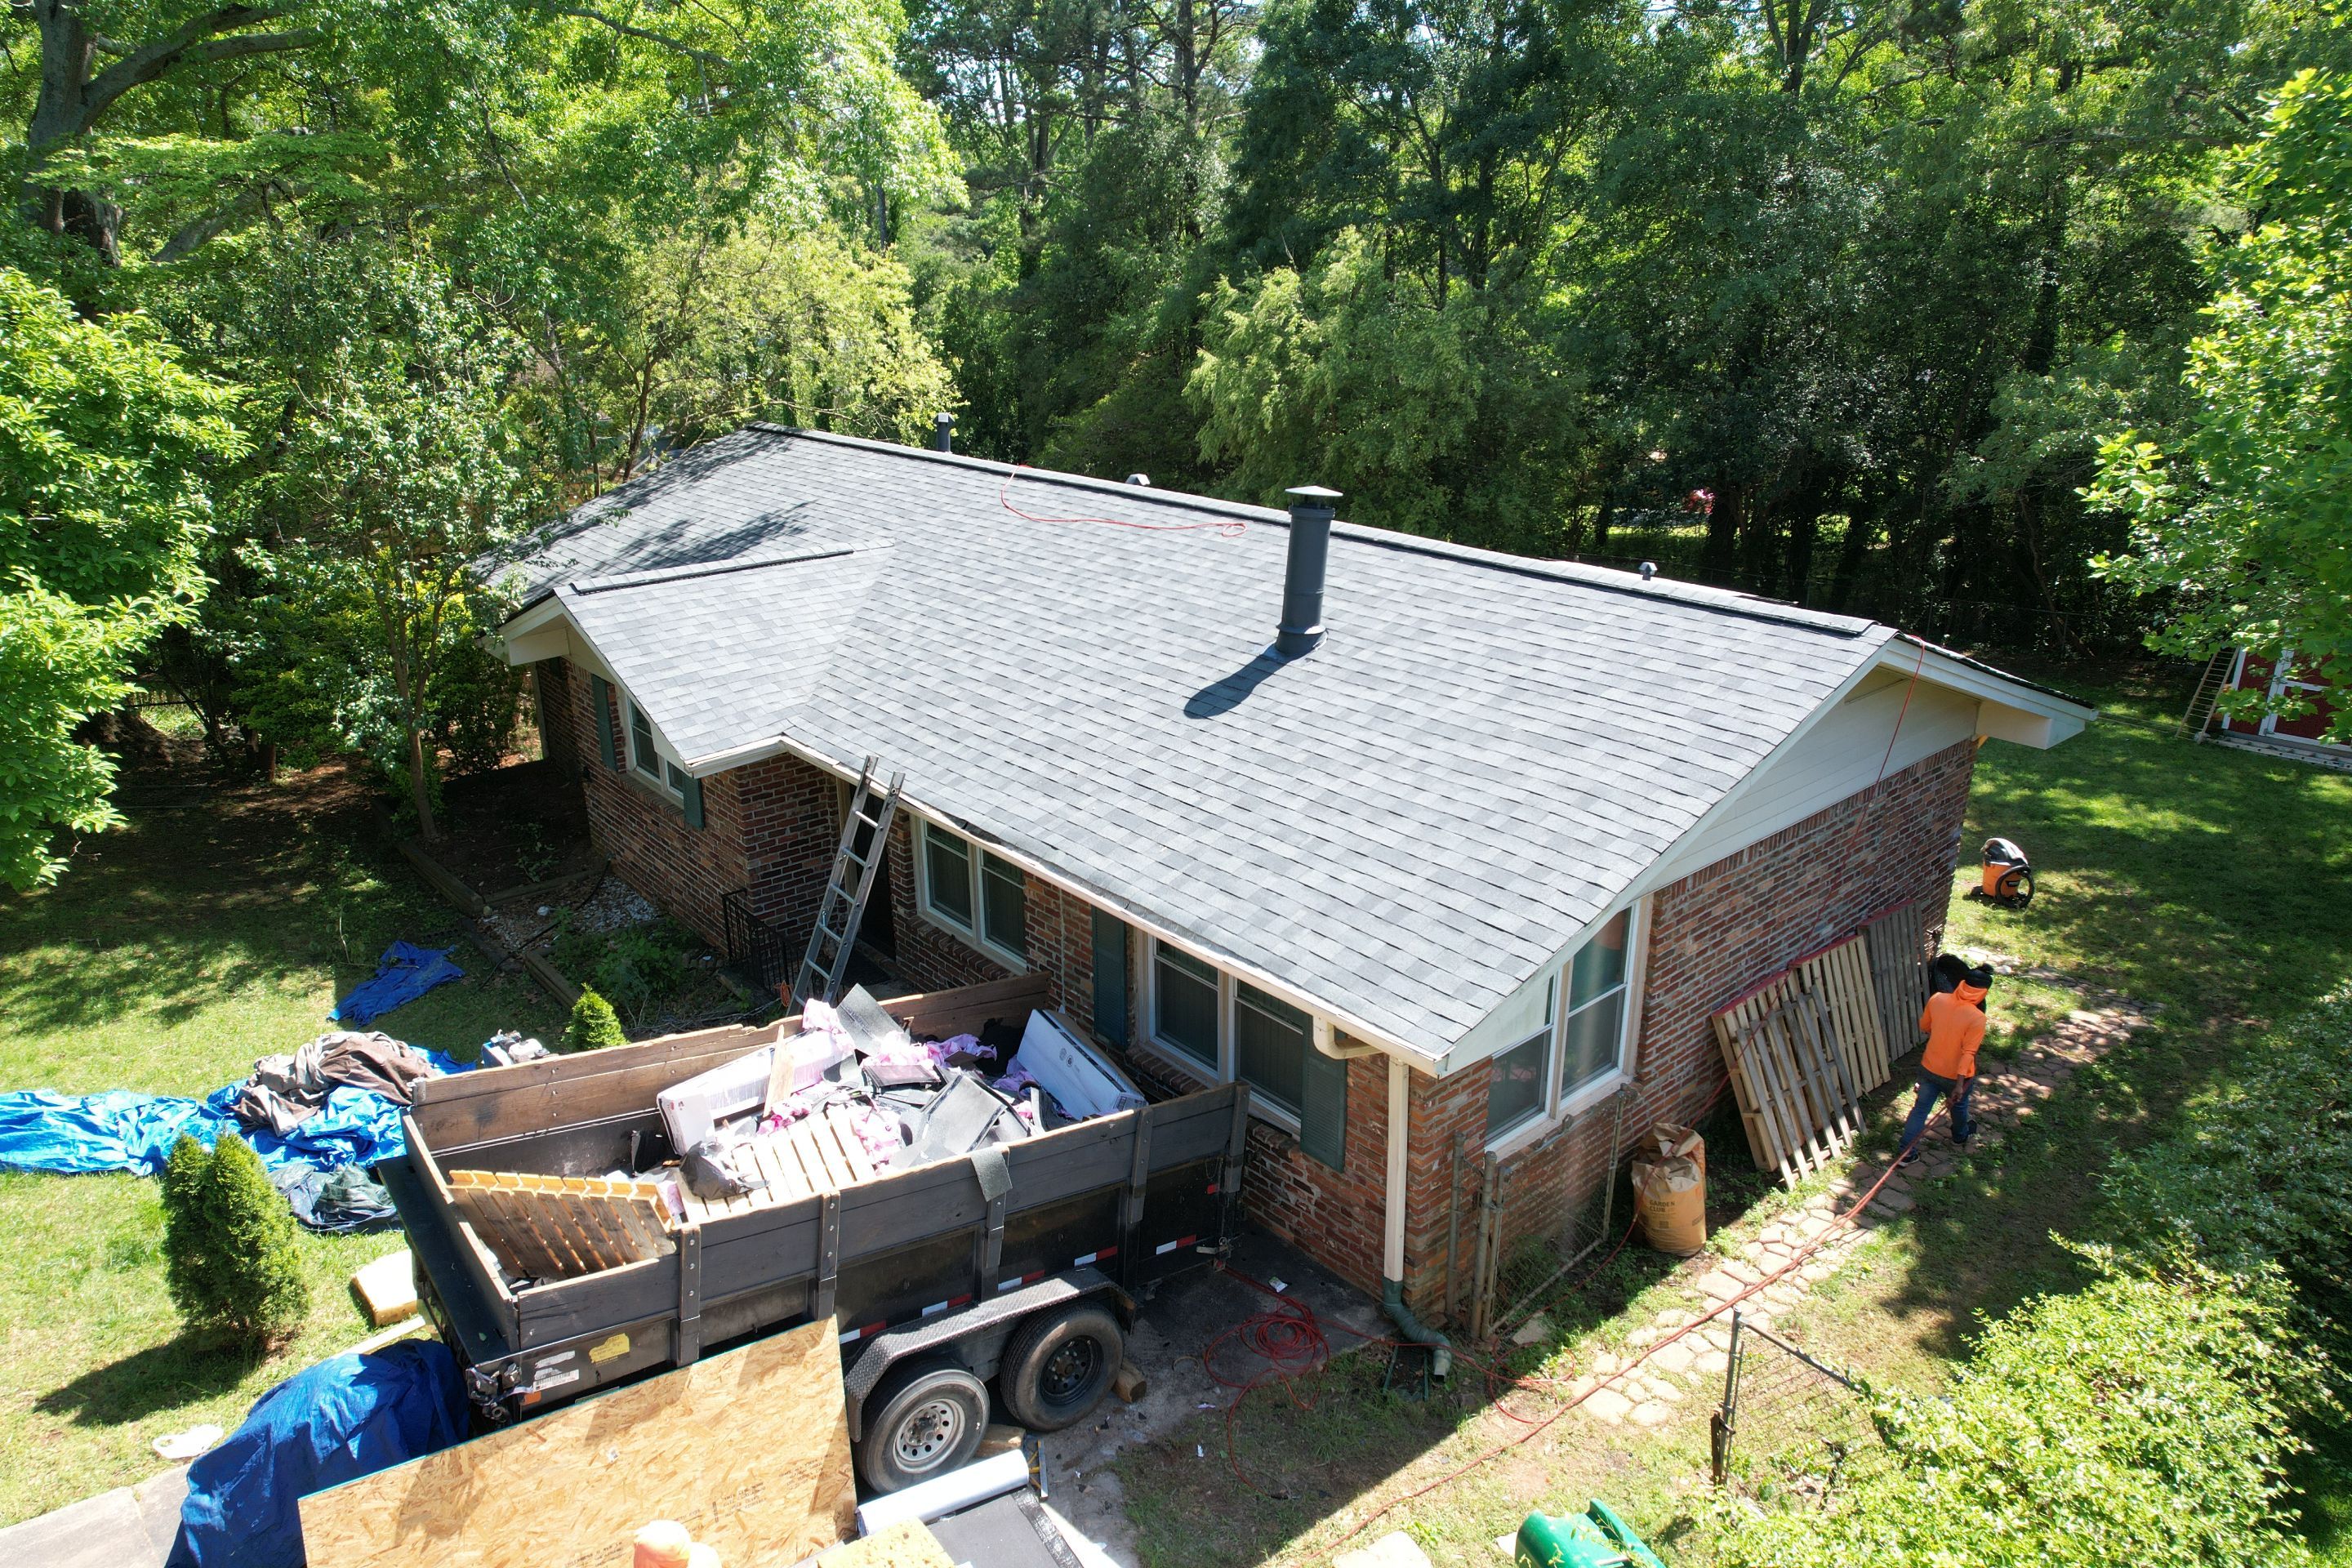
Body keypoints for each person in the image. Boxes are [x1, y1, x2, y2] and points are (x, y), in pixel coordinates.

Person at [1900, 964, 1991, 1162]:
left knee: (1920, 1109)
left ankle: (1906, 1153)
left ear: (1963, 983)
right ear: (1983, 992)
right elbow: (1968, 1054)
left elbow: (1925, 1026)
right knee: (1959, 1107)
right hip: (1955, 1077)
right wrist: (1959, 1085)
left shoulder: (1938, 998)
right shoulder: (1977, 1018)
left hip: (1929, 1068)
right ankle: (1960, 1136)